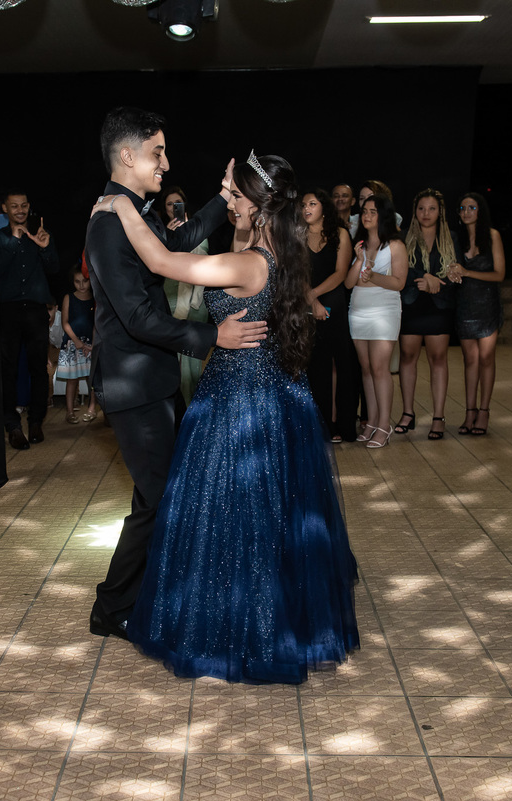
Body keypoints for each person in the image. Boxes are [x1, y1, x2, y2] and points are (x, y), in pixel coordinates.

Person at [93, 151, 359, 684]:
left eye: (236, 197)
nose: (228, 203)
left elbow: (166, 262)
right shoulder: (278, 253)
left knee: (231, 516)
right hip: (275, 396)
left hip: (238, 402)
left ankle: (240, 628)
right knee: (263, 516)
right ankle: (266, 618)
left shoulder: (248, 264)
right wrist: (231, 195)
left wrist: (122, 211)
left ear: (261, 208)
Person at [83, 107, 266, 642]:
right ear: (127, 155)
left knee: (157, 495)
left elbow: (177, 248)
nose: (166, 162)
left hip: (153, 379)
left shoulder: (132, 213)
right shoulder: (107, 225)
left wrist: (224, 198)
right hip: (131, 384)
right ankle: (112, 607)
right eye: (157, 152)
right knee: (161, 498)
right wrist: (213, 338)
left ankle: (134, 598)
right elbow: (138, 318)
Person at [0, 191, 59, 449]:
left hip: (35, 309)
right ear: (5, 209)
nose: (20, 210)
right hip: (8, 309)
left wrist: (45, 248)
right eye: (14, 206)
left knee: (38, 368)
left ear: (29, 207)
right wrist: (12, 242)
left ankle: (35, 422)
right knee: (7, 369)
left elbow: (54, 268)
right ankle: (12, 425)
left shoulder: (40, 234)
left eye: (23, 205)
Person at [345, 194, 407, 449]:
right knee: (366, 368)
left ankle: (384, 424)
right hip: (358, 309)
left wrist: (373, 277)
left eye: (373, 211)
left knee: (380, 368)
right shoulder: (358, 244)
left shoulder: (395, 245)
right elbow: (349, 283)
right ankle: (370, 422)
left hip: (384, 310)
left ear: (383, 216)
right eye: (365, 211)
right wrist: (359, 261)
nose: (367, 215)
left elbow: (399, 283)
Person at [397, 189, 459, 440]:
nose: (426, 213)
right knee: (408, 356)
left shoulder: (452, 237)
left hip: (439, 305)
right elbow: (399, 269)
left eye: (431, 208)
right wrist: (423, 279)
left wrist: (436, 281)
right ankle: (408, 413)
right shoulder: (404, 238)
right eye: (421, 208)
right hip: (412, 304)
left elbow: (456, 273)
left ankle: (438, 416)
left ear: (440, 212)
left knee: (438, 359)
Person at [302, 188, 358, 442]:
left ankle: (345, 425)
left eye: (312, 204)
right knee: (316, 366)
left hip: (333, 300)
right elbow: (295, 273)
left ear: (324, 207)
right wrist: (310, 299)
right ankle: (321, 426)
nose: (306, 208)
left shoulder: (340, 234)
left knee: (342, 365)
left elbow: (341, 273)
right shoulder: (297, 235)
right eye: (303, 205)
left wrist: (314, 296)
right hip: (306, 304)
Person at [448, 192, 505, 435]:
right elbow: (451, 270)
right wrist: (453, 273)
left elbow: (499, 275)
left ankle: (484, 411)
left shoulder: (492, 236)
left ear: (480, 211)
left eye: (471, 207)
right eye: (462, 208)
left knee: (486, 359)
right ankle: (469, 412)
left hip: (487, 304)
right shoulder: (455, 238)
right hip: (464, 304)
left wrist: (468, 273)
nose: (466, 212)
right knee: (469, 360)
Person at [158, 185, 210, 402]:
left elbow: (203, 263)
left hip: (194, 303)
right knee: (167, 362)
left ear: (184, 205)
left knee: (190, 366)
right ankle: (174, 416)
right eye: (169, 204)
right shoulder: (160, 232)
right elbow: (157, 262)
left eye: (177, 203)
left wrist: (185, 233)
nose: (173, 208)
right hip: (168, 300)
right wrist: (168, 236)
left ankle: (191, 414)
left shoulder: (197, 229)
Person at [56, 267, 96, 423]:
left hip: (90, 344)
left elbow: (96, 322)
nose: (81, 285)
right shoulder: (69, 297)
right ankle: (70, 412)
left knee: (91, 379)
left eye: (85, 281)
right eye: (77, 282)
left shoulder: (95, 298)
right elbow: (65, 322)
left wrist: (92, 343)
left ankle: (92, 409)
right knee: (72, 379)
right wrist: (77, 341)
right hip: (72, 343)